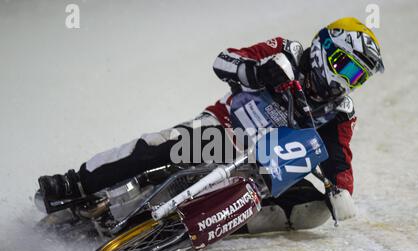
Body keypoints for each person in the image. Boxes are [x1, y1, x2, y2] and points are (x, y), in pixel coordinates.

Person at [37, 17, 384, 230]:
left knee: (316, 210)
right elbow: (224, 60)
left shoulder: (340, 110)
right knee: (158, 146)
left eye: (356, 76)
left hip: (261, 168)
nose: (345, 80)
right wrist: (257, 72)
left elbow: (338, 154)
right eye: (345, 66)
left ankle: (204, 223)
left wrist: (342, 188)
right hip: (223, 132)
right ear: (325, 49)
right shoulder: (286, 51)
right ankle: (75, 184)